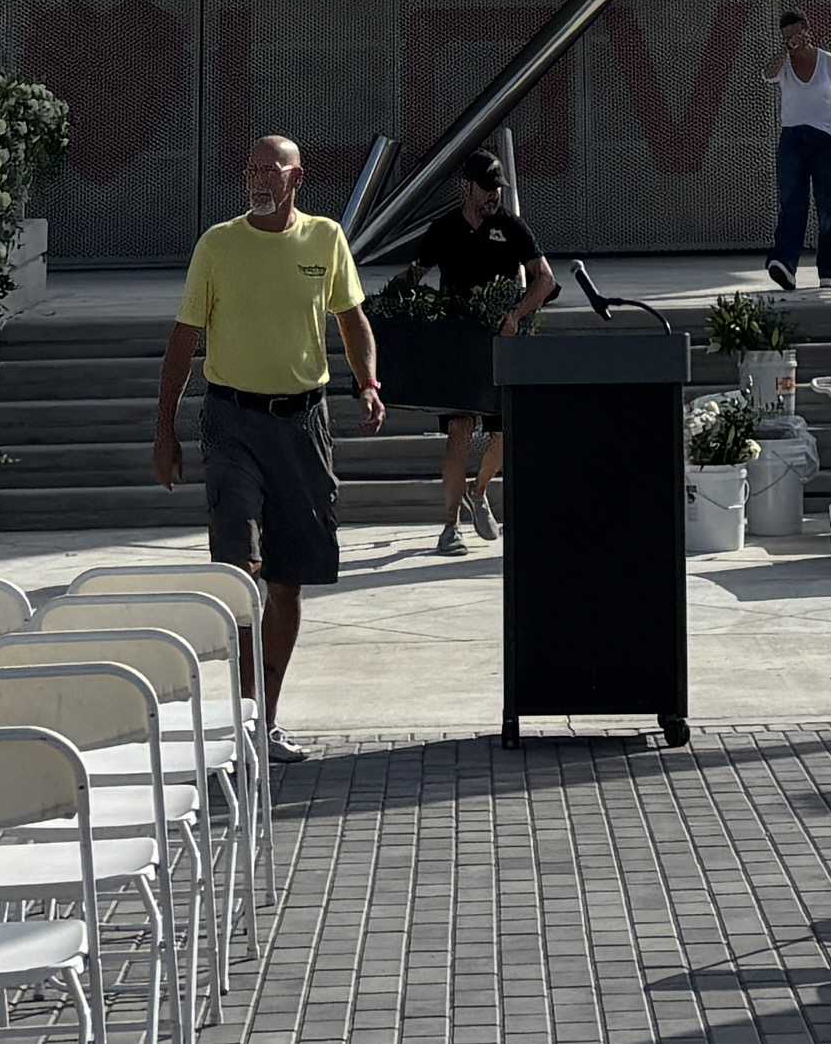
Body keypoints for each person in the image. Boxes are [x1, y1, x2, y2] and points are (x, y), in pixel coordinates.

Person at [152, 129, 383, 742]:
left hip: (304, 424)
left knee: (288, 579)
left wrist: (367, 382)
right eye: (251, 169)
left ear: (295, 178)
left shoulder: (325, 238)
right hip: (232, 422)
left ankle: (266, 721)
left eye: (271, 170)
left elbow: (352, 318)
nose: (258, 180)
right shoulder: (218, 245)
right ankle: (244, 708)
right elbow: (182, 341)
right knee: (239, 566)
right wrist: (164, 429)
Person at [399, 148, 551, 555]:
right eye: (486, 189)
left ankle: (479, 489)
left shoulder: (510, 227)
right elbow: (414, 275)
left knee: (503, 434)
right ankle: (450, 526)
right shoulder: (444, 229)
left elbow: (544, 279)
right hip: (457, 348)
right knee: (459, 432)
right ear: (465, 187)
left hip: (501, 343)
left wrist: (518, 314)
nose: (493, 197)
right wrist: (400, 307)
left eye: (497, 189)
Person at [766, 6, 831, 288]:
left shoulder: (829, 62)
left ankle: (828, 271)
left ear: (808, 30)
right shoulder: (783, 63)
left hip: (826, 140)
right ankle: (784, 263)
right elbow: (767, 75)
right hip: (793, 139)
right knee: (791, 202)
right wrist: (786, 52)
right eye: (787, 35)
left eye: (797, 32)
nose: (794, 38)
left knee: (829, 205)